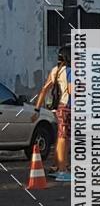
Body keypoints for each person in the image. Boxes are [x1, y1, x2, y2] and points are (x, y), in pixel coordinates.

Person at [35, 47, 72, 181]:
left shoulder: (55, 71)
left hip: (58, 108)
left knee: (61, 137)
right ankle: (63, 170)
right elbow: (73, 91)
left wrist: (37, 109)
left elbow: (44, 89)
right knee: (64, 138)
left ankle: (57, 166)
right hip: (68, 107)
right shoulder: (69, 71)